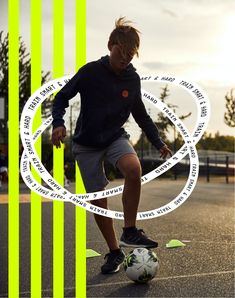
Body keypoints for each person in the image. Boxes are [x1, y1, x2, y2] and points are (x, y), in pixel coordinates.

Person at [51, 17, 172, 274]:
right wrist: (58, 123)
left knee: (133, 168)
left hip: (115, 137)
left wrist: (158, 141)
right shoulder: (90, 72)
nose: (125, 58)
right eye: (122, 52)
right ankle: (114, 252)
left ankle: (130, 230)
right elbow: (61, 97)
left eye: (131, 55)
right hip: (86, 144)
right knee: (99, 200)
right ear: (110, 45)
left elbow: (141, 115)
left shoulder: (132, 79)